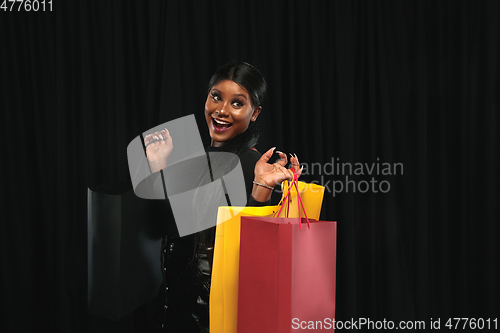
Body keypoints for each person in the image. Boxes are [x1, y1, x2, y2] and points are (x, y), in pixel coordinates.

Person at [143, 61, 302, 332]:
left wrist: (261, 189)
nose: (222, 111)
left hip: (217, 314)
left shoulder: (254, 166)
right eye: (216, 97)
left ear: (254, 113)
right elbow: (174, 229)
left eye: (237, 103)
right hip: (179, 306)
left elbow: (253, 254)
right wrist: (159, 165)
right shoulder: (200, 158)